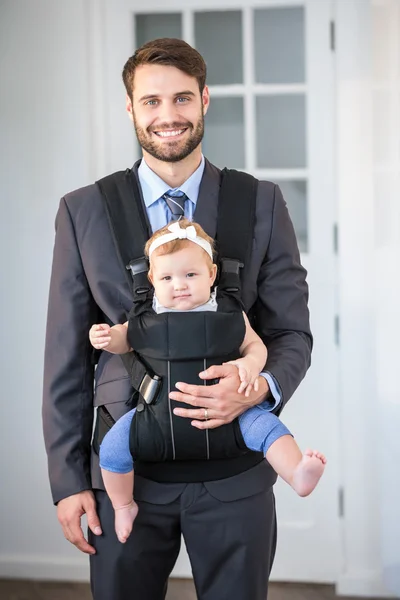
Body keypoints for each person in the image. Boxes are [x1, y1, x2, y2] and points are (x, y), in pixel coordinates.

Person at [43, 37, 313, 600]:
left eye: (183, 99)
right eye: (151, 101)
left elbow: (289, 331)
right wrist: (69, 483)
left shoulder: (260, 201)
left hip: (237, 470)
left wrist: (257, 387)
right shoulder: (83, 210)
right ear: (131, 108)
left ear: (206, 101)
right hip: (125, 472)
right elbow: (66, 355)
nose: (168, 116)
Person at [89, 219, 325, 544]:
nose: (180, 285)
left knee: (268, 429)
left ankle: (297, 473)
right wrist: (104, 336)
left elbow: (254, 345)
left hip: (230, 414)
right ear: (152, 280)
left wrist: (250, 364)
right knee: (113, 449)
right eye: (168, 277)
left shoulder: (229, 313)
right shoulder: (144, 319)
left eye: (190, 275)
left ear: (211, 274)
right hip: (156, 416)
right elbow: (122, 340)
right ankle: (123, 505)